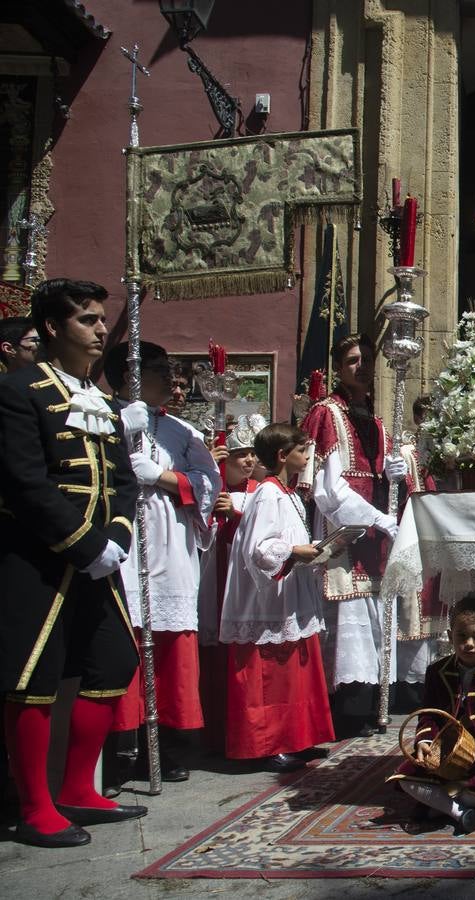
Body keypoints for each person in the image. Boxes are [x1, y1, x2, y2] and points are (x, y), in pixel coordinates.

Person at [0, 278, 143, 847]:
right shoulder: (19, 390)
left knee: (114, 662)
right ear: (54, 329)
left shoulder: (103, 403)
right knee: (32, 680)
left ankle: (79, 788)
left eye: (102, 319)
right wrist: (84, 545)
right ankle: (36, 807)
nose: (101, 329)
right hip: (36, 558)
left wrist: (117, 538)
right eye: (87, 320)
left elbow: (124, 481)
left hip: (99, 559)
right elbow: (25, 482)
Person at [104, 341, 221, 784]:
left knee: (170, 648)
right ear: (130, 375)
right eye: (160, 370)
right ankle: (120, 744)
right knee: (123, 642)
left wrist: (164, 478)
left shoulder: (180, 431)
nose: (173, 381)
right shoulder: (105, 419)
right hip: (126, 542)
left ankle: (165, 743)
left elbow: (208, 482)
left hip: (170, 544)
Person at [298, 335, 404, 737]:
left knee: (373, 619)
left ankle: (370, 700)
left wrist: (395, 473)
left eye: (367, 360)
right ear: (338, 369)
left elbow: (381, 478)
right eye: (352, 360)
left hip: (374, 539)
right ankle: (346, 707)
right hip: (343, 534)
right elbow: (328, 490)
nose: (361, 367)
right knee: (349, 619)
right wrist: (376, 518)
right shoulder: (327, 413)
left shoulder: (375, 421)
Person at [218, 424, 334, 772]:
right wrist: (295, 550)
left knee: (294, 671)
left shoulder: (289, 493)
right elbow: (260, 549)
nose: (307, 456)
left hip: (291, 594)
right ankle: (269, 744)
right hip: (270, 600)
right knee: (271, 674)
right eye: (301, 449)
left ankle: (295, 738)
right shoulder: (268, 494)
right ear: (283, 455)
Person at [388, 596, 475, 835]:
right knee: (405, 779)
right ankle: (458, 810)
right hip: (444, 751)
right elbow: (428, 715)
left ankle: (443, 805)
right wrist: (425, 742)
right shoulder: (437, 671)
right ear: (450, 634)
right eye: (462, 636)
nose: (469, 644)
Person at [197, 417, 263, 754]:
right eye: (241, 456)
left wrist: (238, 514)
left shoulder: (257, 492)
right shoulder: (214, 488)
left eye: (253, 455)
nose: (249, 461)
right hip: (216, 576)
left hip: (245, 583)